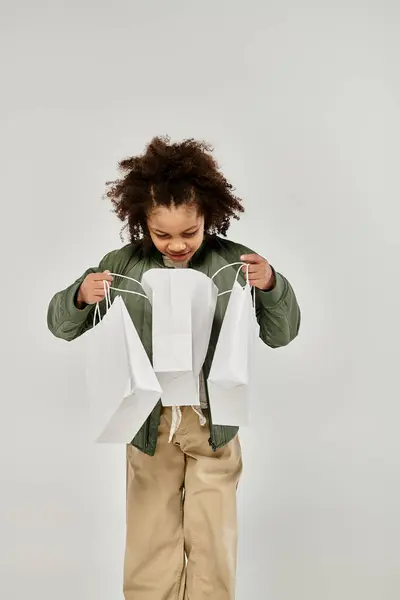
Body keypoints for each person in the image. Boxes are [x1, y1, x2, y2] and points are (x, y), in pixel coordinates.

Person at [47, 136, 301, 600]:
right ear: (140, 223)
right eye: (162, 234)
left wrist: (271, 286)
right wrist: (80, 296)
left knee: (212, 539)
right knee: (150, 540)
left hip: (213, 422)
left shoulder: (234, 260)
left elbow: (281, 334)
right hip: (148, 422)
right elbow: (61, 326)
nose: (178, 244)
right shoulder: (121, 264)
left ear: (209, 216)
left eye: (191, 231)